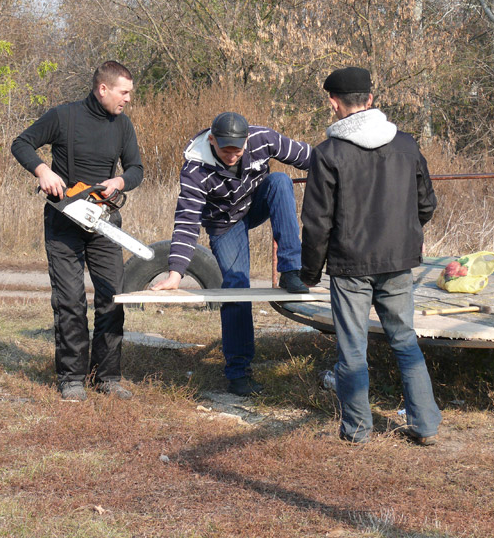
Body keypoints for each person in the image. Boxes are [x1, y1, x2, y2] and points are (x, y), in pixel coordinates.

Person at [300, 67, 442, 445]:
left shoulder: (328, 154)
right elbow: (426, 205)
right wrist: (403, 235)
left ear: (333, 102)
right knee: (405, 341)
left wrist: (310, 273)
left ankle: (357, 430)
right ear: (371, 99)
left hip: (350, 266)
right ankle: (425, 426)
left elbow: (317, 223)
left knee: (352, 348)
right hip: (398, 261)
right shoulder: (407, 144)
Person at [152, 112, 311, 396]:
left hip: (254, 202)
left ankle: (291, 271)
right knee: (237, 287)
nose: (232, 156)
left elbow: (311, 157)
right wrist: (176, 273)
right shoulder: (195, 169)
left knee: (279, 182)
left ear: (247, 140)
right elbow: (187, 222)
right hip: (224, 224)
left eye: (237, 150)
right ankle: (239, 373)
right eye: (225, 150)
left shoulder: (264, 139)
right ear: (212, 140)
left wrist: (347, 160)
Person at [11, 61, 143, 402]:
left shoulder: (122, 126)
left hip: (103, 223)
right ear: (103, 89)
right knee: (70, 302)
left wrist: (120, 181)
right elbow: (21, 144)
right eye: (124, 92)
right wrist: (42, 170)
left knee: (112, 298)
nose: (128, 99)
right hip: (63, 222)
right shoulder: (63, 117)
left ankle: (108, 377)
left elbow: (136, 168)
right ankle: (71, 378)